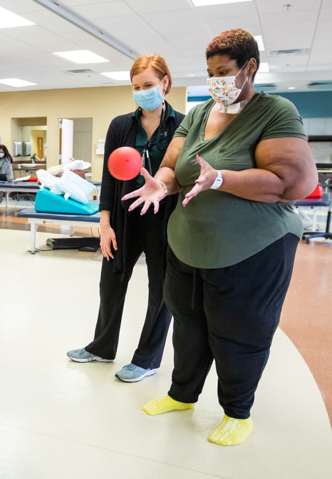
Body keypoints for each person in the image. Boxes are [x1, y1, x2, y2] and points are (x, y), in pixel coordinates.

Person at [122, 29, 317, 445]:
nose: (217, 81)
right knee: (188, 327)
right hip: (189, 245)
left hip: (251, 250)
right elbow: (173, 164)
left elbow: (293, 182)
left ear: (249, 68)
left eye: (224, 72)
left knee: (239, 332)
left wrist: (222, 178)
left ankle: (237, 411)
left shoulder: (275, 111)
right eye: (211, 73)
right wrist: (162, 183)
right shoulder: (198, 114)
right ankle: (182, 394)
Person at [67, 55, 184, 383]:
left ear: (164, 83)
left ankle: (147, 359)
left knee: (162, 292)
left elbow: (183, 174)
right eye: (136, 87)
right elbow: (107, 178)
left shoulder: (182, 125)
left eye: (148, 85)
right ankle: (102, 347)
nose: (142, 91)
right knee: (111, 283)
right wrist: (104, 224)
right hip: (123, 218)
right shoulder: (121, 125)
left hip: (165, 220)